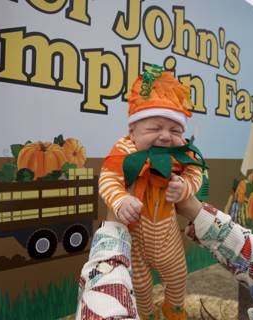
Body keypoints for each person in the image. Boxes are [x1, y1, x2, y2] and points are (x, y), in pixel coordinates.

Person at [76, 197, 253, 320]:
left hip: (163, 249)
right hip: (140, 252)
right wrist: (197, 211)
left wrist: (113, 230)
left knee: (176, 276)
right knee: (144, 287)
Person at [98, 67, 205, 320]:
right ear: (132, 131)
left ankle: (174, 310)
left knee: (178, 275)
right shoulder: (124, 150)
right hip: (135, 239)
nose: (166, 136)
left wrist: (184, 188)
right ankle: (145, 314)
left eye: (175, 130)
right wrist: (121, 199)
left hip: (167, 235)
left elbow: (196, 174)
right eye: (155, 127)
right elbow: (108, 178)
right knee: (140, 287)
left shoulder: (181, 153)